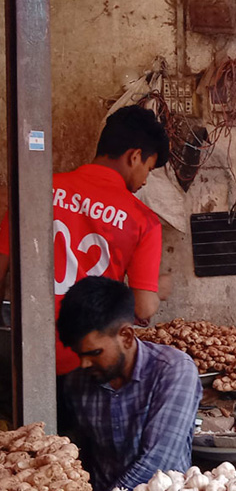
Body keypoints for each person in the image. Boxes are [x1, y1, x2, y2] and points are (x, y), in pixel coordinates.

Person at [0, 105, 170, 377]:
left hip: (27, 360)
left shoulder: (34, 193)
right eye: (148, 169)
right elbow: (143, 307)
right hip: (91, 363)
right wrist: (158, 289)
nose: (145, 181)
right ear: (135, 156)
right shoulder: (143, 220)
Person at [56, 276, 201, 491]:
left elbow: (159, 463)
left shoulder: (174, 370)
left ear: (126, 336)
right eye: (79, 354)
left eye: (94, 353)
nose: (84, 364)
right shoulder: (77, 383)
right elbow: (78, 455)